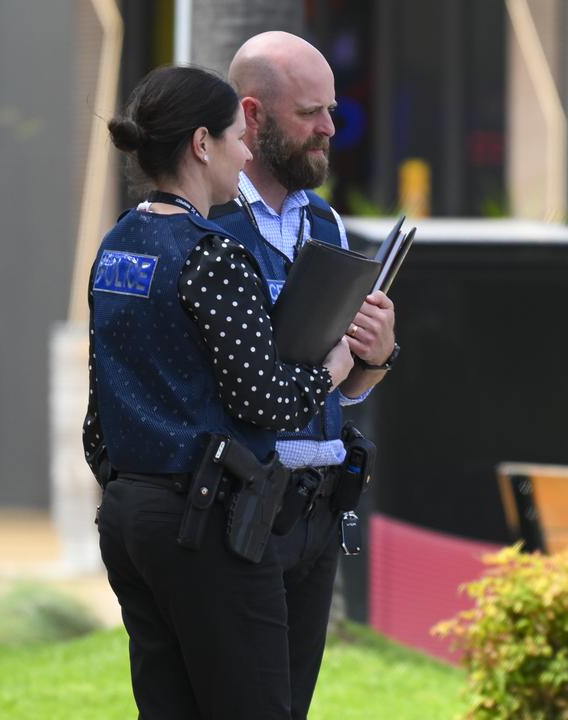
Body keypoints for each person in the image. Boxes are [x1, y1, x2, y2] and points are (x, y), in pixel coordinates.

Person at [86, 65, 354, 718]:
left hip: (129, 514)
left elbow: (101, 409)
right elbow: (262, 403)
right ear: (201, 144)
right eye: (237, 137)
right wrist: (333, 370)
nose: (244, 153)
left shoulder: (118, 244)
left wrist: (128, 482)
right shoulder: (213, 254)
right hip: (205, 523)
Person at [210, 31, 398, 718]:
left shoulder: (325, 222)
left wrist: (376, 354)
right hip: (242, 508)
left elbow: (346, 387)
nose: (329, 128)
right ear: (252, 117)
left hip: (316, 512)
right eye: (310, 113)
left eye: (333, 110)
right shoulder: (206, 221)